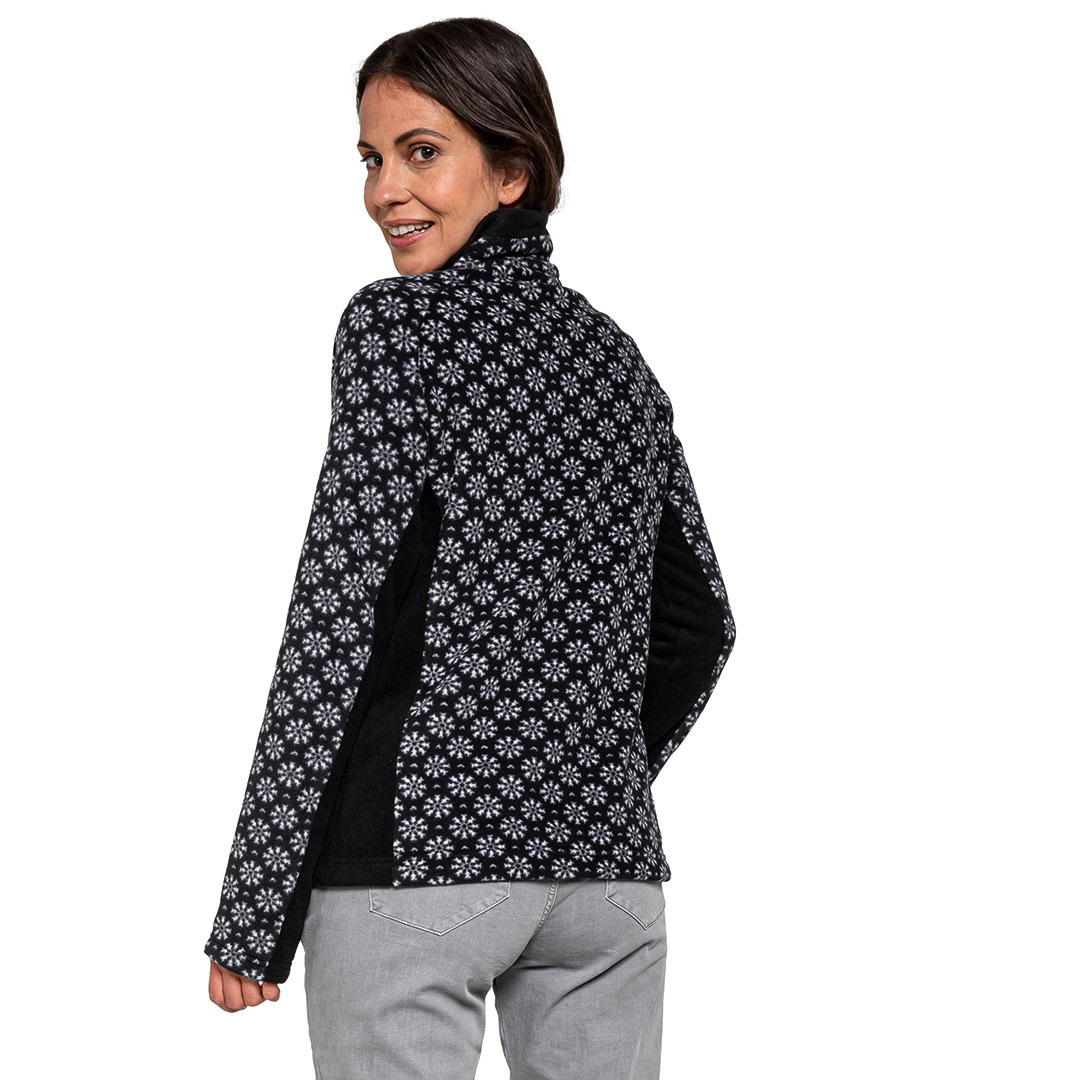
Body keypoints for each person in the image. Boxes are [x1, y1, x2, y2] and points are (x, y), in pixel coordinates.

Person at [205, 17, 736, 1079]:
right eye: (371, 158)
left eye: (422, 152)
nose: (385, 191)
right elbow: (701, 623)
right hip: (608, 882)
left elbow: (338, 617)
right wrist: (577, 771)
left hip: (416, 864)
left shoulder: (398, 329)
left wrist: (256, 909)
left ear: (513, 172)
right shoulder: (615, 359)